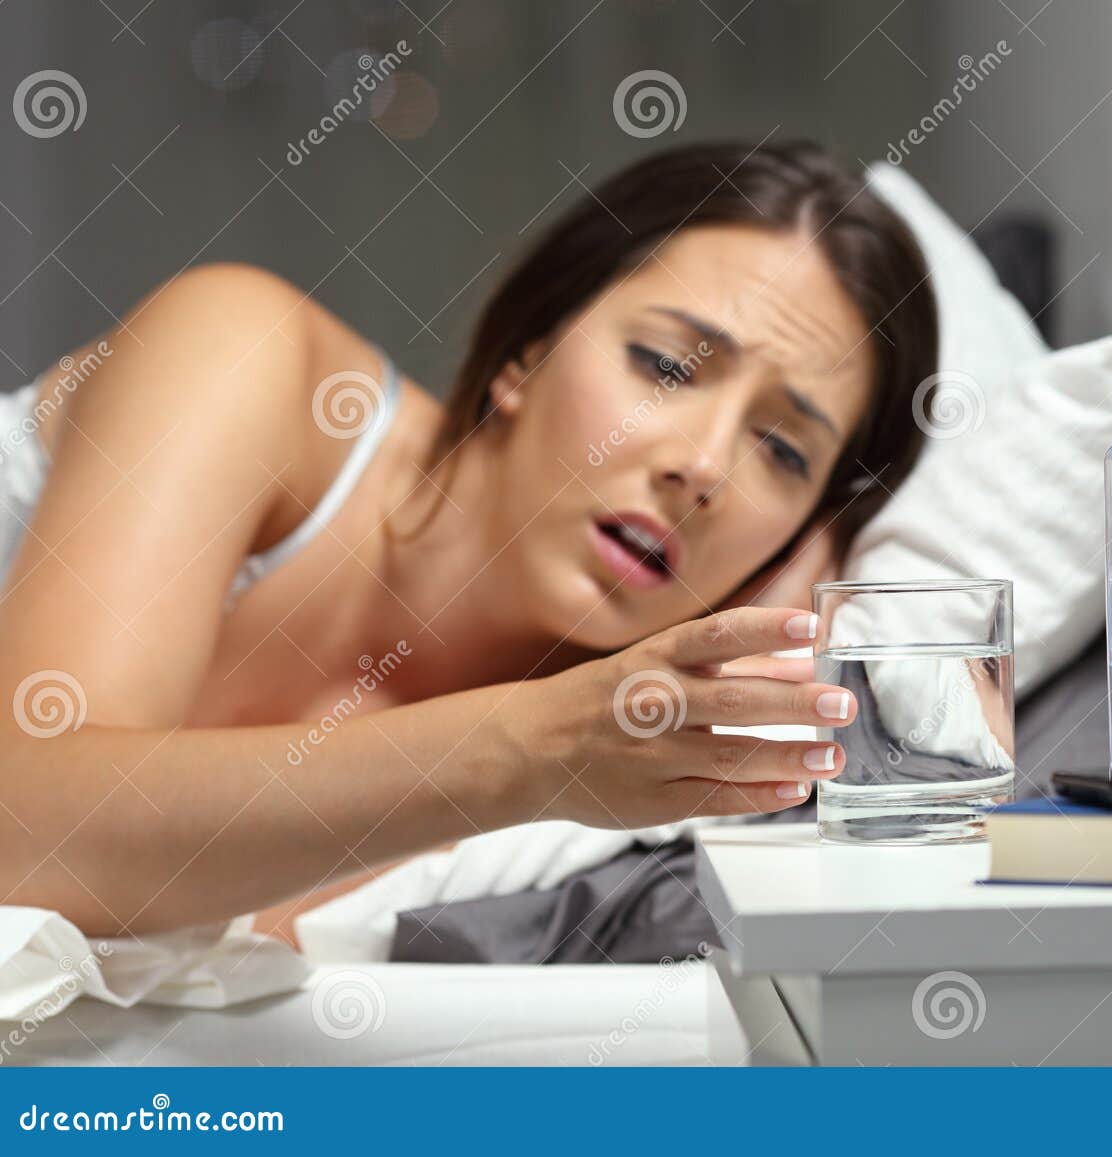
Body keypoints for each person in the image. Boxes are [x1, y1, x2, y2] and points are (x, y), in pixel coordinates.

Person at [0, 141, 937, 938]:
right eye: (663, 365)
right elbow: (22, 830)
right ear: (526, 353)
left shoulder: (616, 759)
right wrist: (531, 750)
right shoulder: (247, 357)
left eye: (781, 449)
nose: (705, 467)